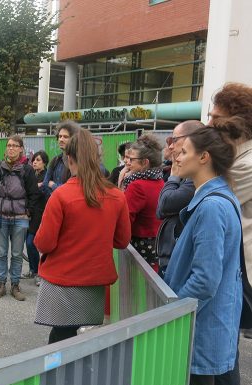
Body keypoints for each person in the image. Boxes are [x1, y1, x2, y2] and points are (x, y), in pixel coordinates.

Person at [163, 125, 242, 385]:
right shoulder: (218, 198)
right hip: (209, 324)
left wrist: (171, 314)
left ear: (204, 157)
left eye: (184, 151)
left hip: (202, 329)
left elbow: (205, 279)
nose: (177, 156)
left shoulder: (210, 206)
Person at [34, 129, 131, 343]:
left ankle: (58, 376)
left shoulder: (61, 195)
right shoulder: (116, 195)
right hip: (94, 280)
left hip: (62, 280)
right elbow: (122, 240)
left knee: (60, 337)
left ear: (69, 159)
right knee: (75, 338)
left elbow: (44, 242)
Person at [209, 82, 252, 342]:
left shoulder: (246, 165)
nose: (210, 122)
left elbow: (207, 198)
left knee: (224, 345)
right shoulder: (237, 157)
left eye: (216, 117)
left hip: (243, 267)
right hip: (234, 265)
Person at [0, 135, 39, 301]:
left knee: (16, 254)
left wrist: (28, 212)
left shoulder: (27, 170)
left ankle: (15, 284)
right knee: (1, 253)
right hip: (0, 216)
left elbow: (33, 194)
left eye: (15, 146)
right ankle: (1, 284)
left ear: (21, 148)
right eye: (9, 145)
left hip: (20, 216)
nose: (11, 148)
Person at [156, 121, 204, 276]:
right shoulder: (186, 177)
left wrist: (174, 178)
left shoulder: (196, 181)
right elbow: (160, 210)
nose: (170, 146)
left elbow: (164, 205)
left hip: (179, 263)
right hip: (171, 257)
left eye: (174, 140)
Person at [121, 133, 164, 269]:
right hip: (157, 244)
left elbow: (125, 218)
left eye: (131, 159)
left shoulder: (137, 185)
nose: (127, 162)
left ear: (145, 162)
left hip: (140, 246)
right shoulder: (160, 180)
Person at [22, 150, 49, 286]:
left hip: (40, 214)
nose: (34, 162)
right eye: (34, 160)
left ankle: (39, 272)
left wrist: (36, 188)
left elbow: (39, 192)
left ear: (44, 162)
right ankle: (33, 269)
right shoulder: (31, 175)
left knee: (31, 242)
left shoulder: (45, 176)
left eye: (38, 160)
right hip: (29, 213)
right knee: (28, 242)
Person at [41, 120, 80, 199]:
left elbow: (73, 190)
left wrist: (53, 185)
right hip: (55, 203)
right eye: (60, 136)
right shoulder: (55, 160)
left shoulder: (78, 161)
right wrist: (54, 196)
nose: (61, 139)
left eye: (65, 137)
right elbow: (45, 184)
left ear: (74, 139)